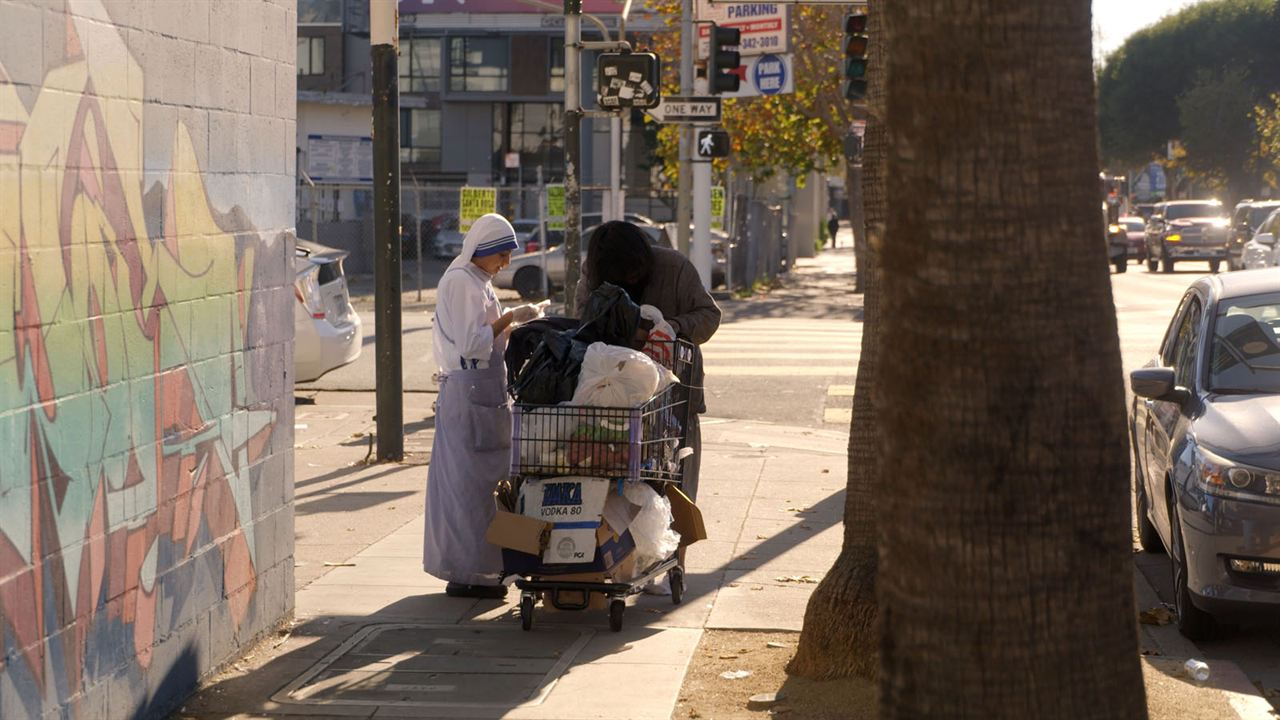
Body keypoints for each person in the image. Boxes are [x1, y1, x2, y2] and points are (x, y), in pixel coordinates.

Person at [424, 213, 544, 599]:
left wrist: (513, 323)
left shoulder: (478, 283)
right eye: (502, 255)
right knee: (468, 489)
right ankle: (469, 571)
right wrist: (511, 317)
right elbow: (472, 343)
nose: (506, 264)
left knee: (488, 487)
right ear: (484, 250)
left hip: (484, 392)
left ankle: (488, 568)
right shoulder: (461, 282)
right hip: (469, 393)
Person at [574, 221, 721, 502]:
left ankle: (676, 544)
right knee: (615, 501)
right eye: (622, 275)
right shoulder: (592, 272)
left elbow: (709, 315)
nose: (631, 279)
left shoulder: (675, 267)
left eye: (635, 272)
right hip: (613, 405)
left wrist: (674, 327)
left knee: (676, 496)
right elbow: (582, 321)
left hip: (674, 402)